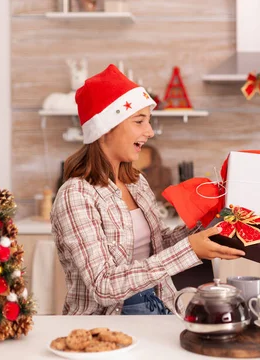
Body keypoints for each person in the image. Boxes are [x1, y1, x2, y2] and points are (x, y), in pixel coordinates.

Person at [51, 64, 244, 316]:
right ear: (106, 128)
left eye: (149, 121)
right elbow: (103, 285)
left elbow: (157, 244)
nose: (150, 132)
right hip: (103, 329)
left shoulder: (135, 182)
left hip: (156, 312)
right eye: (139, 121)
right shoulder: (76, 195)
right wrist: (190, 250)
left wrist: (206, 225)